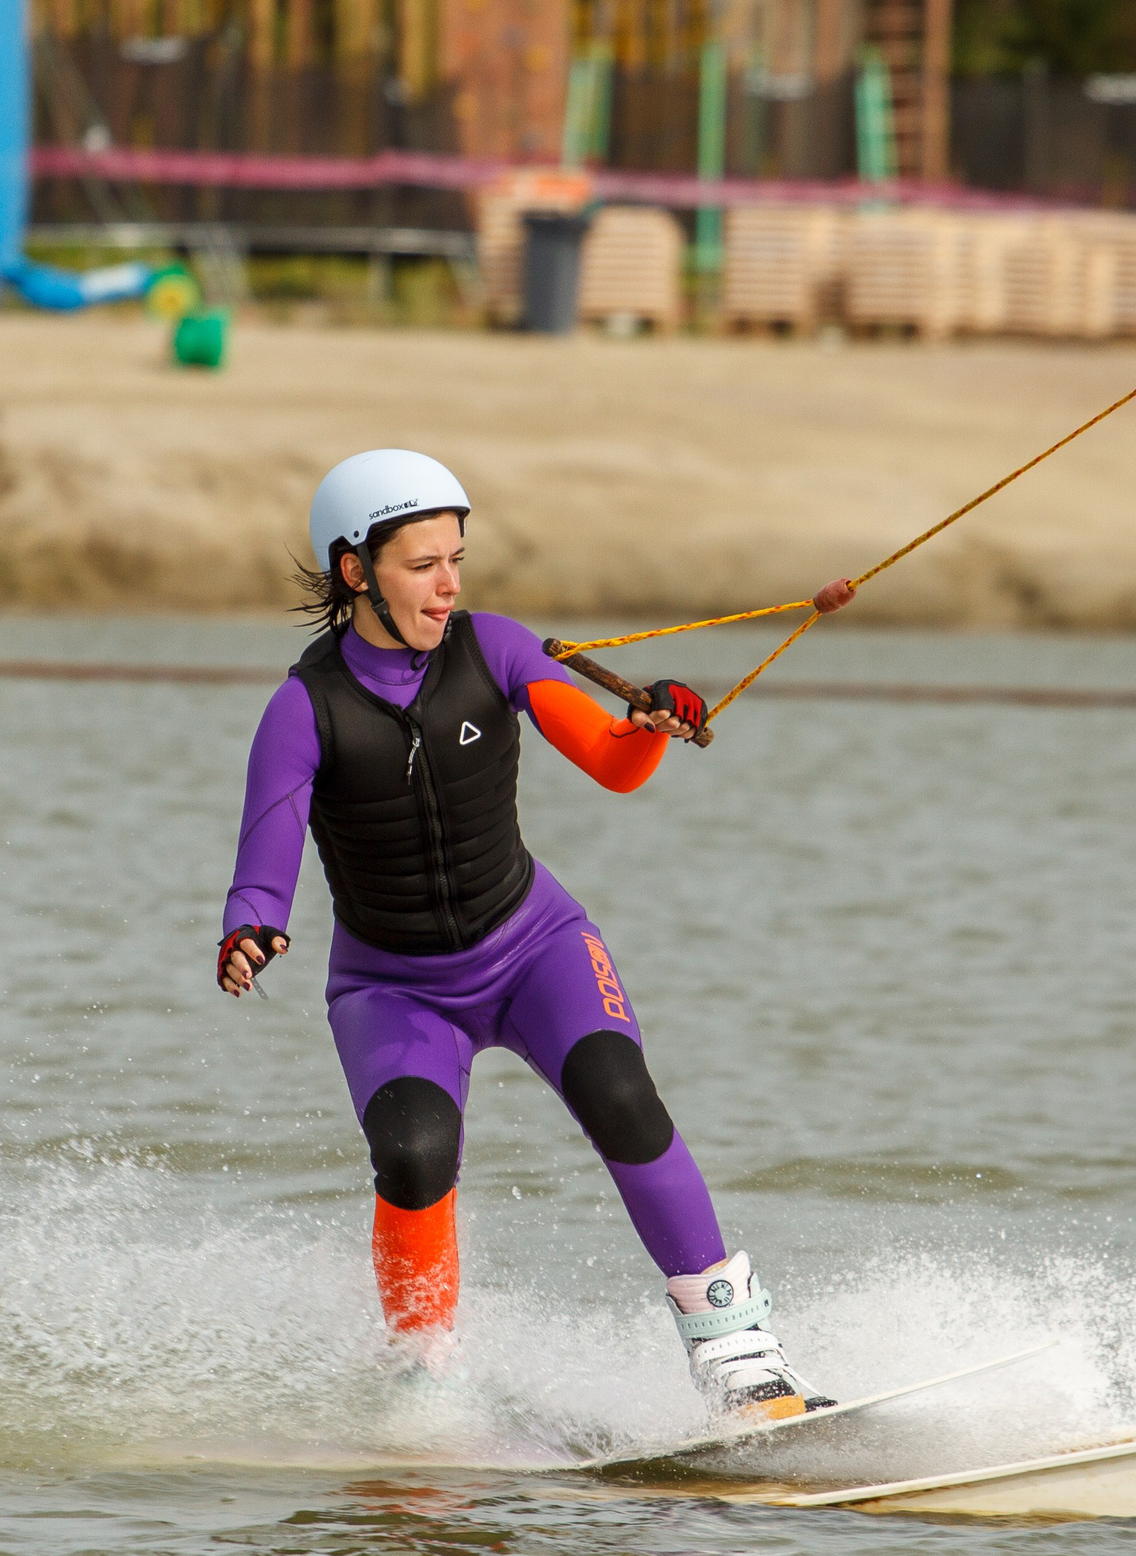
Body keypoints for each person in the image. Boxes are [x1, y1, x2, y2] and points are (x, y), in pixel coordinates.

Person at [219, 449, 856, 1421]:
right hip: (393, 988)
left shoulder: (497, 650)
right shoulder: (304, 709)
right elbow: (266, 850)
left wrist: (648, 719)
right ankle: (424, 1376)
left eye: (457, 559)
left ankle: (736, 1349)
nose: (449, 584)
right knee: (414, 1153)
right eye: (423, 564)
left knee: (620, 1093)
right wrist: (251, 928)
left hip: (533, 947)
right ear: (356, 572)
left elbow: (612, 761)